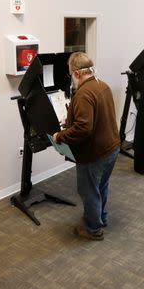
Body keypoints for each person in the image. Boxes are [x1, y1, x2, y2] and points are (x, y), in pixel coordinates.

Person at [53, 52, 120, 241]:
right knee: (101, 186)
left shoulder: (83, 94)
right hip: (111, 148)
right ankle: (100, 218)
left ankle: (93, 229)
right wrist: (72, 118)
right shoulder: (102, 85)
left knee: (88, 190)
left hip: (94, 154)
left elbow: (84, 128)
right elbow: (95, 117)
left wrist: (61, 136)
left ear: (76, 73)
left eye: (70, 75)